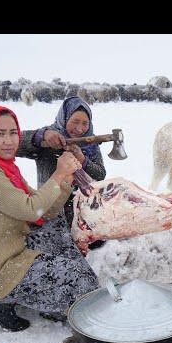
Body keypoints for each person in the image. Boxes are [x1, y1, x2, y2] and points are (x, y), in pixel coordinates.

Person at [0, 105, 100, 331]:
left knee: (56, 224)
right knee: (83, 285)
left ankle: (62, 283)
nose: (8, 140)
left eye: (13, 133)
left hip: (10, 248)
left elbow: (46, 211)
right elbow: (31, 209)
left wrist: (68, 178)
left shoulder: (4, 168)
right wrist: (59, 173)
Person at [16, 96, 106, 248]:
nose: (80, 129)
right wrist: (41, 136)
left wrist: (84, 161)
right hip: (50, 209)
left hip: (84, 211)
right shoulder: (48, 140)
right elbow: (16, 144)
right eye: (75, 122)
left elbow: (100, 174)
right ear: (64, 118)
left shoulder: (90, 143)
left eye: (85, 123)